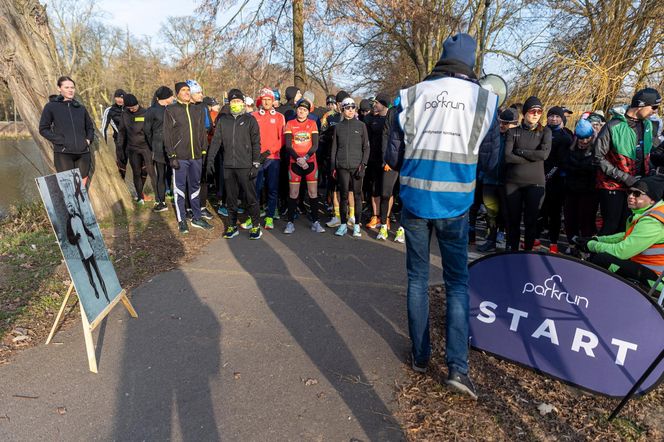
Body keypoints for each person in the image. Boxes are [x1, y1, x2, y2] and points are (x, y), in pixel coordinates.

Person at [385, 33, 499, 399]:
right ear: (471, 62)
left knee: (417, 279)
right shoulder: (486, 101)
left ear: (441, 58)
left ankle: (420, 357)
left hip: (416, 200)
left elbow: (392, 157)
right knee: (457, 284)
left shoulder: (410, 96)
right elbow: (491, 161)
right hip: (456, 205)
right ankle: (457, 369)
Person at [578, 175, 664, 290]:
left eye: (637, 194)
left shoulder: (652, 222)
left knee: (602, 259)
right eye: (630, 192)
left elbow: (621, 252)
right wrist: (599, 239)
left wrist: (591, 245)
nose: (630, 197)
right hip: (646, 268)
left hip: (657, 280)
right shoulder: (649, 212)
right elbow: (627, 235)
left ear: (652, 200)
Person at [595, 88, 661, 235]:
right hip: (613, 185)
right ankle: (596, 256)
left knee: (627, 227)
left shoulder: (648, 125)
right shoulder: (613, 125)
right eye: (654, 107)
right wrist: (624, 177)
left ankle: (617, 258)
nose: (655, 111)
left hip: (636, 185)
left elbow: (651, 154)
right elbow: (598, 157)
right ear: (640, 105)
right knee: (611, 227)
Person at [208, 88, 262, 240]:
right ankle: (232, 225)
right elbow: (216, 141)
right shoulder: (223, 120)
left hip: (246, 165)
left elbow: (256, 143)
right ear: (229, 103)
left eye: (238, 101)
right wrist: (210, 159)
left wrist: (256, 163)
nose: (236, 104)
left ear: (243, 103)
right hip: (228, 166)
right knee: (231, 199)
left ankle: (256, 226)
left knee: (250, 198)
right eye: (233, 101)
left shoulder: (250, 120)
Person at [163, 82, 213, 233]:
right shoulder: (171, 110)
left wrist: (203, 152)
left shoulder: (197, 109)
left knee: (195, 187)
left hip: (196, 156)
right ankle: (182, 219)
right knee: (179, 189)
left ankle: (197, 217)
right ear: (177, 93)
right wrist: (171, 155)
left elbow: (202, 133)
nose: (186, 92)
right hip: (180, 156)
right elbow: (167, 134)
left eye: (188, 90)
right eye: (183, 90)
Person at [504, 96, 552, 251]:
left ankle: (528, 251)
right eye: (533, 111)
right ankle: (512, 250)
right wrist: (532, 157)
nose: (536, 114)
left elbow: (543, 155)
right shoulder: (513, 132)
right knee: (513, 220)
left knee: (531, 221)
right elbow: (507, 156)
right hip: (513, 182)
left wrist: (521, 151)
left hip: (535, 183)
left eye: (539, 111)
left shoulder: (546, 131)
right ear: (524, 113)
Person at [39, 76, 95, 187]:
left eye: (72, 87)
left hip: (83, 153)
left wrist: (88, 140)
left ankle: (81, 204)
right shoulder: (51, 106)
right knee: (68, 187)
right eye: (67, 87)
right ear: (59, 88)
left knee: (81, 187)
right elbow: (43, 129)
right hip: (63, 153)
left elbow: (90, 127)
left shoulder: (81, 108)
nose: (70, 90)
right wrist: (61, 140)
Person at [477, 107, 519, 252]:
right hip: (489, 181)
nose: (502, 125)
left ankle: (509, 244)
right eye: (501, 122)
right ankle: (491, 240)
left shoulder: (516, 139)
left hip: (507, 183)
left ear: (514, 124)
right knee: (491, 213)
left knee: (507, 215)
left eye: (506, 123)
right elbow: (483, 154)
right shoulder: (492, 135)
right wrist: (483, 174)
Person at [282, 99, 325, 234]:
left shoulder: (312, 124)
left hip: (310, 163)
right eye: (300, 109)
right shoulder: (290, 123)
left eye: (305, 110)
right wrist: (298, 159)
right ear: (297, 110)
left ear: (308, 112)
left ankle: (315, 222)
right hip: (295, 163)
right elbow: (288, 146)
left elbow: (315, 145)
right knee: (293, 193)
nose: (302, 112)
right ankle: (290, 223)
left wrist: (305, 158)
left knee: (313, 193)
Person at [331, 97, 370, 237]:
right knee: (343, 196)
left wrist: (363, 164)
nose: (351, 110)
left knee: (358, 196)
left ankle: (357, 226)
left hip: (357, 167)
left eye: (353, 107)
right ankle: (342, 224)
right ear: (343, 109)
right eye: (348, 107)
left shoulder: (361, 126)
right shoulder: (338, 127)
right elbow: (334, 149)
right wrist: (333, 167)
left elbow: (366, 148)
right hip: (342, 166)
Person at [538, 106, 573, 253]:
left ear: (561, 119)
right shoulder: (541, 132)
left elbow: (561, 161)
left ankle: (553, 243)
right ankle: (535, 238)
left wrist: (549, 175)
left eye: (557, 116)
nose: (553, 118)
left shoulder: (565, 137)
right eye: (551, 116)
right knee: (539, 211)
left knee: (554, 213)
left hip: (556, 180)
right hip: (539, 176)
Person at [562, 119, 598, 250]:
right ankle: (571, 243)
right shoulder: (570, 149)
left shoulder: (596, 150)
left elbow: (595, 169)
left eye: (587, 138)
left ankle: (585, 246)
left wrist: (579, 168)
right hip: (571, 190)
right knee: (570, 218)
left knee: (586, 220)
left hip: (589, 191)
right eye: (581, 138)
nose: (584, 141)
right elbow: (564, 164)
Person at [252, 88, 285, 230]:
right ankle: (253, 217)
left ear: (273, 101)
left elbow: (282, 139)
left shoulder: (279, 116)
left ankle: (270, 217)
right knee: (255, 188)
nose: (266, 102)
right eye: (264, 99)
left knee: (272, 188)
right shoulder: (253, 116)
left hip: (273, 158)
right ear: (260, 100)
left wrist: (269, 152)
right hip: (256, 158)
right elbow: (249, 137)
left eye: (269, 99)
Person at [117, 94, 158, 205]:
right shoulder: (124, 114)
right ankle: (140, 197)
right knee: (136, 173)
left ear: (137, 103)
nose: (132, 109)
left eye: (134, 106)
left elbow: (152, 131)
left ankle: (159, 198)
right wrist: (120, 147)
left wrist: (154, 147)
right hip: (132, 149)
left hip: (146, 148)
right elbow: (121, 132)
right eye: (129, 107)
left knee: (151, 172)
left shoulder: (146, 113)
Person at [66, 200, 108, 302]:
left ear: (73, 207)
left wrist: (90, 234)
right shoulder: (69, 222)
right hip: (82, 254)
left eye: (72, 206)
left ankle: (106, 296)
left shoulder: (79, 217)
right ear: (67, 209)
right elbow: (70, 239)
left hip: (89, 249)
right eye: (69, 206)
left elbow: (84, 228)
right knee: (90, 275)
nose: (71, 208)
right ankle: (95, 289)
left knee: (98, 272)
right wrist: (75, 237)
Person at [321, 90, 351, 227]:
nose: (340, 105)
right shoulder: (329, 116)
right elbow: (321, 134)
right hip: (331, 157)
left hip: (349, 159)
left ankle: (351, 215)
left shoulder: (353, 116)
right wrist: (331, 134)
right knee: (334, 188)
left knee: (348, 188)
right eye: (339, 103)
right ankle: (337, 215)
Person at [187, 80, 215, 220]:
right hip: (186, 149)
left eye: (201, 92)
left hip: (202, 147)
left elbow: (208, 126)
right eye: (198, 92)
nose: (201, 95)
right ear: (190, 94)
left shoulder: (203, 107)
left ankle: (202, 207)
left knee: (203, 177)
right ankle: (188, 207)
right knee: (188, 177)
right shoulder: (182, 107)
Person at [144, 86, 174, 212]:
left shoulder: (172, 109)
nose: (173, 98)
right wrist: (154, 145)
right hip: (159, 147)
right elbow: (147, 130)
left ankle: (175, 196)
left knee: (173, 172)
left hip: (173, 147)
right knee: (160, 174)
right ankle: (161, 202)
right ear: (165, 97)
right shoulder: (152, 110)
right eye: (171, 96)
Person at [365, 93, 390, 230]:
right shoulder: (371, 119)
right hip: (373, 159)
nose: (375, 105)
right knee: (374, 188)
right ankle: (375, 216)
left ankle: (386, 217)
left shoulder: (391, 118)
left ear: (383, 104)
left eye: (377, 103)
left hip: (387, 160)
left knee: (387, 191)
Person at [101, 89, 126, 178]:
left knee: (138, 166)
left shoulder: (130, 108)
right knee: (122, 162)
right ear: (114, 98)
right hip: (120, 140)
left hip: (133, 141)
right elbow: (103, 128)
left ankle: (139, 191)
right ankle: (122, 185)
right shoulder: (109, 110)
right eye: (117, 97)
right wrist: (105, 146)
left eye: (122, 98)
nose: (119, 100)